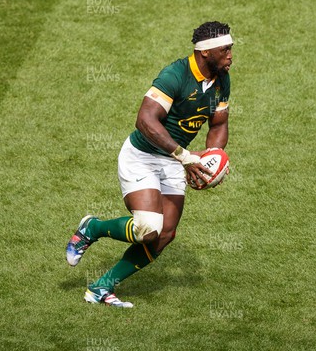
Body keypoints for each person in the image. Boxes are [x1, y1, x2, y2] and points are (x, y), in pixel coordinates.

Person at [66, 21, 234, 307]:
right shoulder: (175, 75)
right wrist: (183, 155)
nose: (231, 55)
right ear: (205, 53)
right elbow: (145, 121)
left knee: (165, 234)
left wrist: (213, 157)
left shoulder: (221, 79)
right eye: (225, 50)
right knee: (148, 228)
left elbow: (219, 123)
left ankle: (101, 288)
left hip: (173, 160)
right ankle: (92, 229)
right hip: (142, 156)